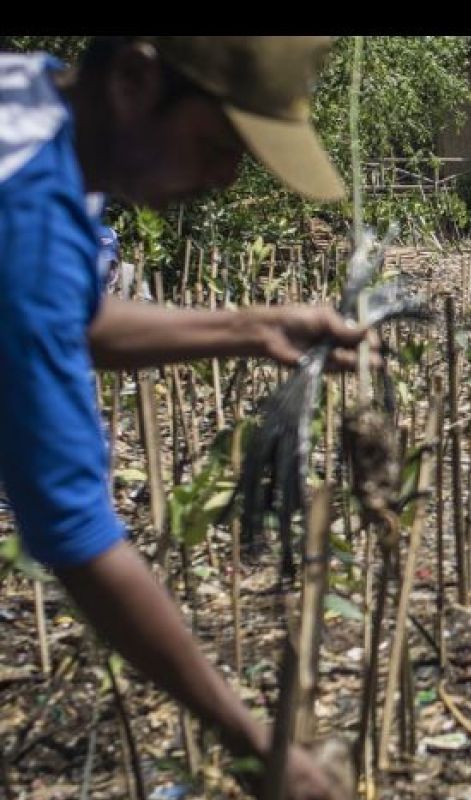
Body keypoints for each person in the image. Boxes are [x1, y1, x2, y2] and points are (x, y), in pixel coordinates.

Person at [0, 36, 365, 799]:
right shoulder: (23, 217)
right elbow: (73, 532)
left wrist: (251, 329)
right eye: (220, 143)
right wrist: (256, 744)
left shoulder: (31, 102)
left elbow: (74, 320)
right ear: (135, 78)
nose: (226, 178)